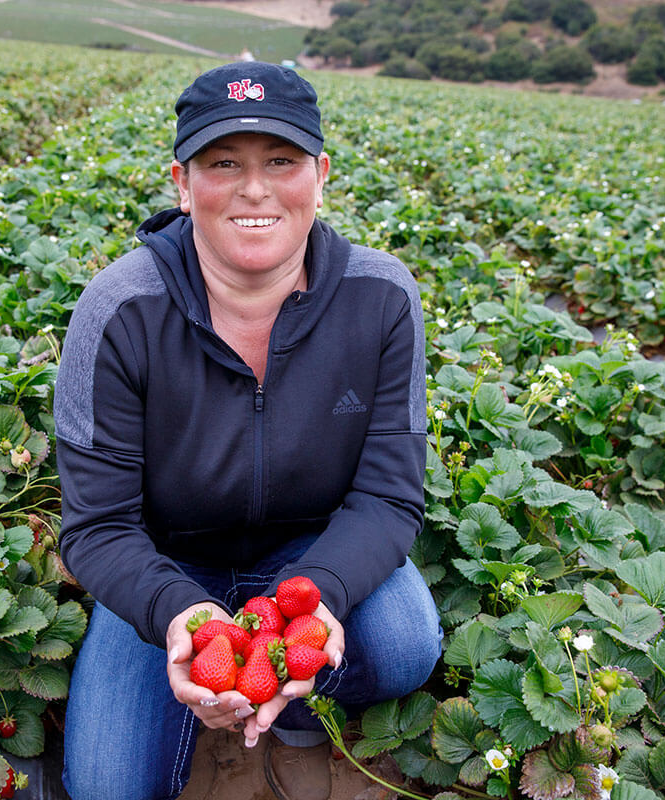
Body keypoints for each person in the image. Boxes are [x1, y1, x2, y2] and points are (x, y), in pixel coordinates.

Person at [55, 61, 441, 800]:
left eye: (282, 161)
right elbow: (98, 527)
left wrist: (320, 599)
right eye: (223, 162)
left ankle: (298, 717)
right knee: (107, 786)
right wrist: (177, 616)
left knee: (403, 645)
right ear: (182, 181)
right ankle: (206, 692)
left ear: (320, 175)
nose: (255, 188)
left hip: (310, 555)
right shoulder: (118, 310)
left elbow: (390, 495)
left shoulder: (382, 298)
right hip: (171, 567)